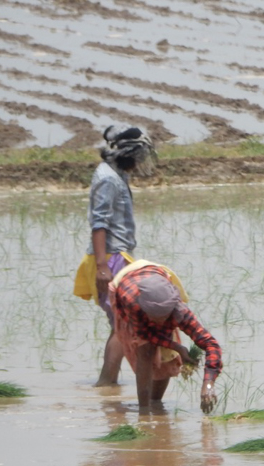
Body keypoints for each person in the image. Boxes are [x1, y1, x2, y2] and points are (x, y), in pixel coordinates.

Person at [73, 125, 157, 386]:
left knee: (121, 323)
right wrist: (102, 267)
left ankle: (109, 384)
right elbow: (99, 223)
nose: (140, 162)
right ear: (126, 154)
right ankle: (106, 383)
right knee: (124, 324)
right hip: (110, 259)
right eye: (138, 156)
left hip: (116, 256)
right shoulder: (108, 179)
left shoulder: (116, 174)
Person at [108, 259, 221, 413]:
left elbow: (211, 344)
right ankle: (144, 410)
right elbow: (146, 335)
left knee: (166, 356)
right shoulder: (133, 304)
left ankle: (156, 403)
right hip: (124, 283)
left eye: (163, 317)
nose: (159, 322)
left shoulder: (179, 311)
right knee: (145, 350)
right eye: (154, 317)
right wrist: (177, 347)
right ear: (145, 309)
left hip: (156, 277)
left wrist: (208, 384)